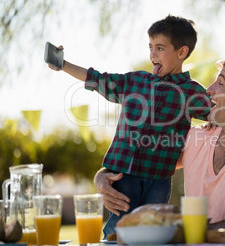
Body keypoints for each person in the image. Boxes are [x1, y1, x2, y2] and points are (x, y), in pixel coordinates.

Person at [48, 15, 210, 236]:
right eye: (150, 47)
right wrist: (63, 64)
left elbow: (223, 117)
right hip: (124, 176)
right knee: (119, 230)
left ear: (181, 52)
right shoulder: (135, 81)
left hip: (160, 180)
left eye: (160, 48)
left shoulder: (193, 92)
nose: (152, 53)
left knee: (153, 233)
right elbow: (96, 78)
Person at [94, 56, 225, 231]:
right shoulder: (196, 138)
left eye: (220, 83)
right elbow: (143, 163)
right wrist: (104, 174)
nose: (208, 90)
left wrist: (200, 231)